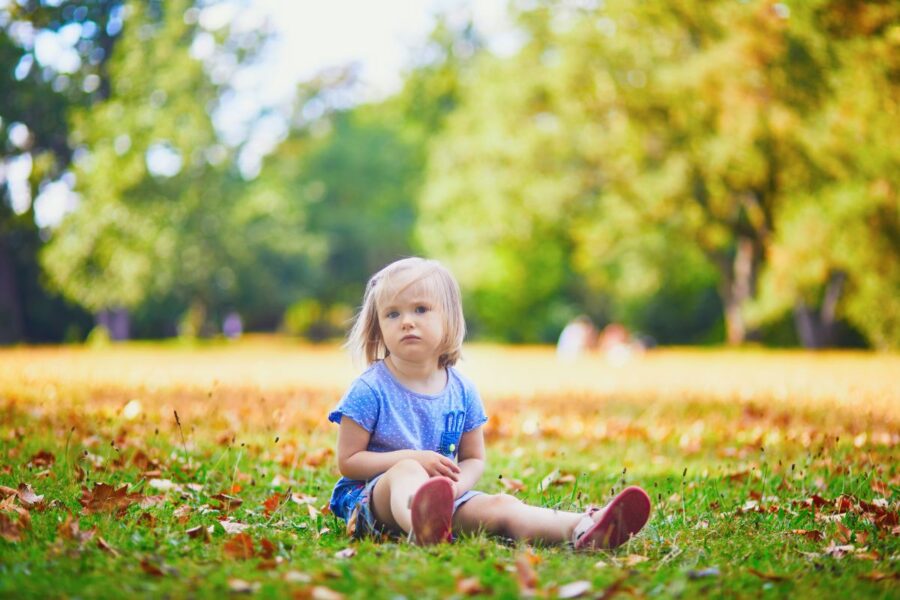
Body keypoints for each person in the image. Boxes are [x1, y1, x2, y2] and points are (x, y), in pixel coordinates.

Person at [327, 257, 651, 547]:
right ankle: (421, 525)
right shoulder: (370, 389)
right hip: (371, 500)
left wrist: (453, 490)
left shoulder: (462, 391)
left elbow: (473, 459)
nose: (406, 321)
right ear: (379, 327)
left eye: (421, 309)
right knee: (407, 471)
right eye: (392, 314)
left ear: (448, 318)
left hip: (443, 499)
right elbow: (349, 461)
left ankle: (584, 527)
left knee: (502, 506)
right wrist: (411, 459)